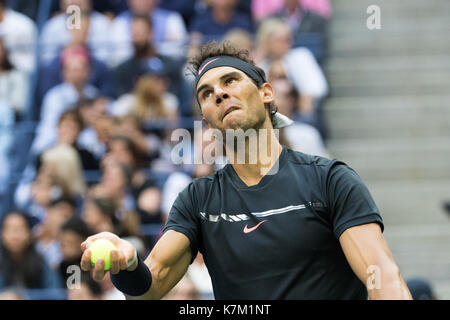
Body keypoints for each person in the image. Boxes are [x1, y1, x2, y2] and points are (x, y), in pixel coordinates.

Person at [80, 42, 412, 300]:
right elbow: (150, 287)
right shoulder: (198, 200)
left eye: (231, 81)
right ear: (207, 120)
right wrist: (128, 262)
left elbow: (382, 276)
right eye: (206, 94)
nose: (220, 93)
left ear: (267, 94)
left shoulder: (330, 180)